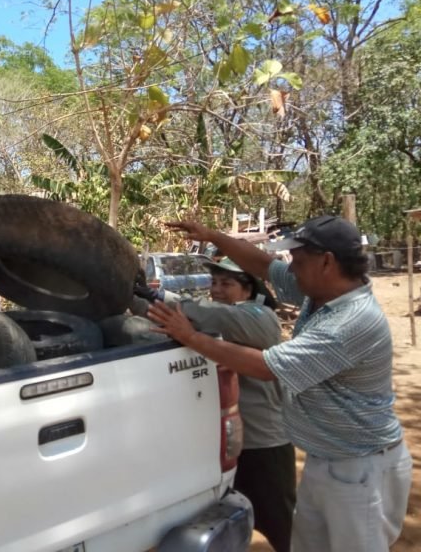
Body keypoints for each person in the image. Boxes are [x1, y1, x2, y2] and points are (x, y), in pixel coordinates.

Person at [147, 215, 413, 552]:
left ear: (327, 262)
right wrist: (210, 235)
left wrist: (190, 336)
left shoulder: (352, 321)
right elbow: (262, 264)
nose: (291, 270)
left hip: (360, 469)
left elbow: (266, 366)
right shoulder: (320, 292)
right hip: (326, 458)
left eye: (298, 262)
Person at [134, 258, 295, 552]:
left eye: (227, 284)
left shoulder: (259, 317)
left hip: (263, 443)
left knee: (281, 525)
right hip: (230, 442)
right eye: (214, 283)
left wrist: (154, 296)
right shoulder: (220, 317)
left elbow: (214, 315)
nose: (217, 290)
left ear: (248, 290)